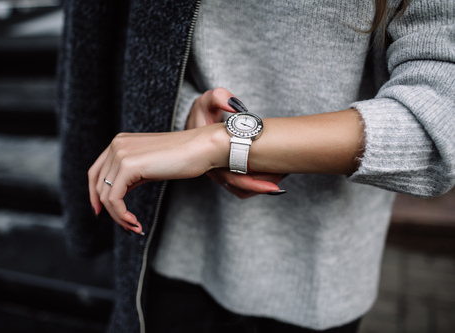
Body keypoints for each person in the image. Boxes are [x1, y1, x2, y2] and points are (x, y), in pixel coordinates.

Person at [56, 0, 454, 332]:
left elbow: (439, 116)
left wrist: (223, 142)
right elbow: (126, 47)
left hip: (314, 275)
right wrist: (185, 113)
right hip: (167, 249)